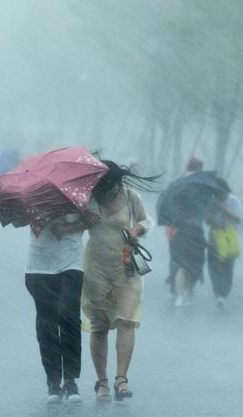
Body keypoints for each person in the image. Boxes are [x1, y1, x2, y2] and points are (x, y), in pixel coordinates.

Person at [82, 161, 156, 402]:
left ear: (117, 181)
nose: (108, 191)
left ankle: (121, 379)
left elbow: (147, 221)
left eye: (111, 185)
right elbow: (75, 226)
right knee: (99, 325)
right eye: (102, 186)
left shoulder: (129, 196)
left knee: (126, 320)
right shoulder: (87, 200)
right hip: (96, 267)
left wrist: (137, 230)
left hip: (126, 265)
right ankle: (102, 382)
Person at [24, 213, 94, 403]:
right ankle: (53, 382)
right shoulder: (33, 190)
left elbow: (94, 218)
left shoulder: (79, 188)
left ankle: (71, 380)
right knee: (47, 324)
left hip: (71, 262)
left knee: (69, 317)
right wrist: (35, 216)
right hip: (39, 266)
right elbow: (17, 220)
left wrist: (66, 227)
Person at [165, 156, 204, 299]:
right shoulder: (201, 186)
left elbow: (168, 204)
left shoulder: (176, 183)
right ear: (199, 168)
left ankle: (174, 287)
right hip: (194, 228)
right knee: (194, 260)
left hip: (174, 227)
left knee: (177, 259)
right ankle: (188, 289)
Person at [205, 178, 243, 310]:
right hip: (214, 237)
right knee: (214, 268)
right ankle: (218, 294)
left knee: (227, 268)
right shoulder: (211, 201)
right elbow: (207, 222)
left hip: (229, 238)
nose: (218, 194)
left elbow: (238, 219)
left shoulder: (233, 201)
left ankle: (223, 295)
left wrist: (223, 208)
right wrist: (211, 214)